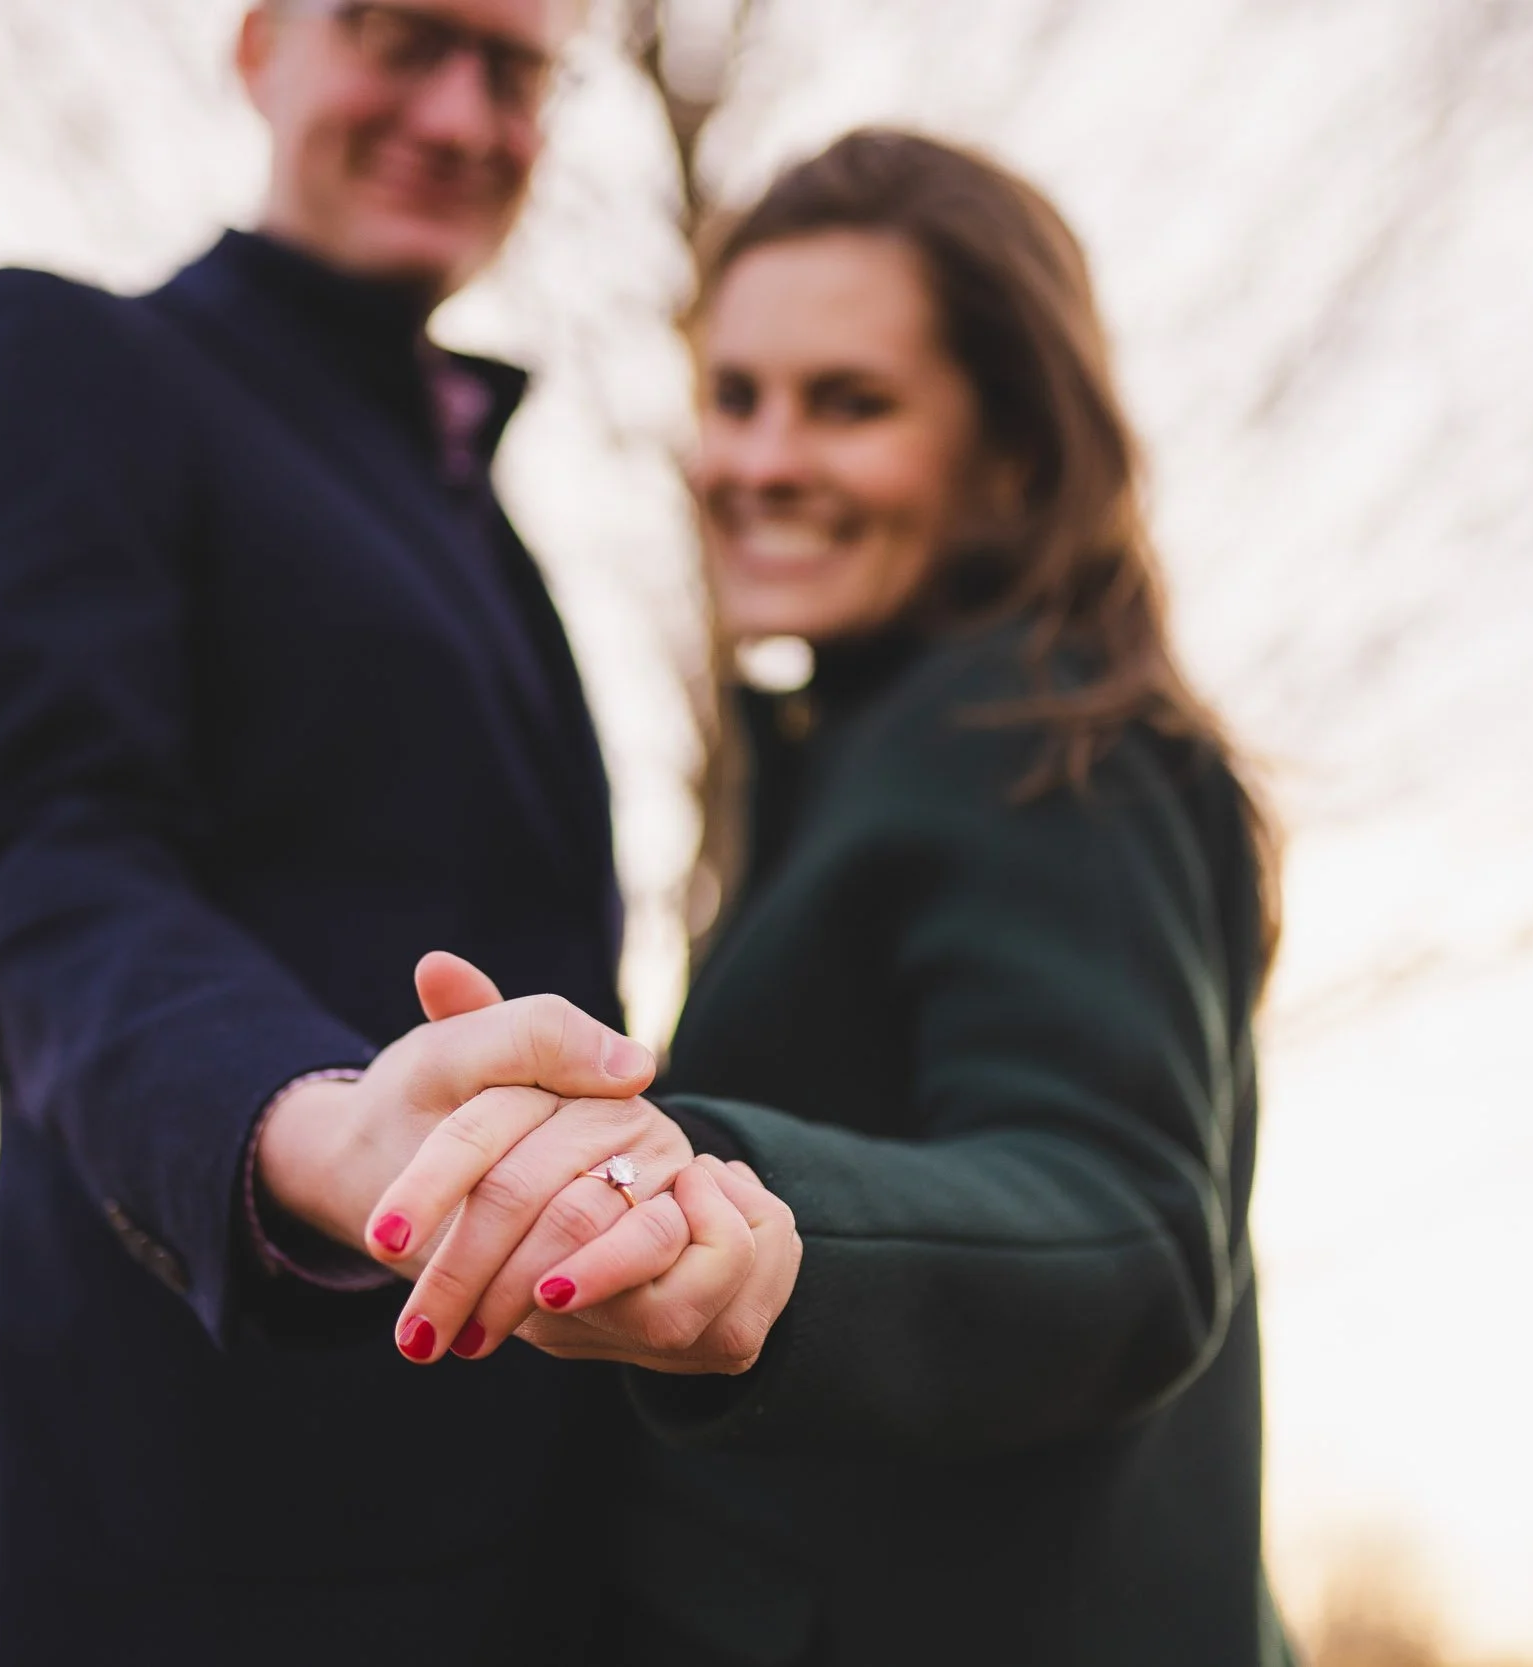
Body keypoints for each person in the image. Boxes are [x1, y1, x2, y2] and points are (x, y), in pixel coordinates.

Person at [0, 1, 785, 1660]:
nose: (455, 112)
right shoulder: (61, 363)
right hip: (164, 1563)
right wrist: (312, 1126)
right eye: (398, 36)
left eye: (512, 70)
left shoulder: (486, 524)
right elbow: (43, 872)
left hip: (506, 1564)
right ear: (261, 44)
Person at [365, 130, 1292, 1664]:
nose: (762, 458)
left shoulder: (1056, 738)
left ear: (1010, 453)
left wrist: (715, 1192)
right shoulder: (853, 753)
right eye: (735, 396)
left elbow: (1121, 1217)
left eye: (849, 404)